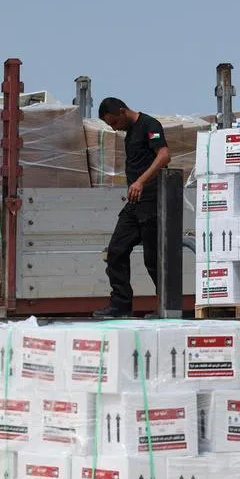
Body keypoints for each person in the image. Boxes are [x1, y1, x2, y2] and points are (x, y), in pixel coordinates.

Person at [92, 97, 171, 318]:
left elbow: (164, 155)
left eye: (114, 123)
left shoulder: (150, 125)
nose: (115, 129)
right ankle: (120, 305)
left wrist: (141, 181)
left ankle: (165, 307)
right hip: (135, 204)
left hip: (152, 201)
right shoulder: (130, 134)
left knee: (153, 259)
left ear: (122, 110)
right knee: (116, 251)